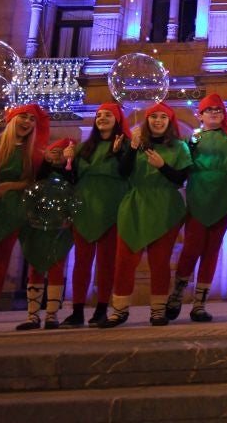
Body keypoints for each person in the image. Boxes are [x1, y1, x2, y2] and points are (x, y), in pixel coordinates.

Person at [166, 80, 227, 323]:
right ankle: (177, 293)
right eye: (209, 110)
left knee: (212, 250)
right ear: (200, 115)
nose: (214, 113)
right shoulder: (192, 141)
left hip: (224, 194)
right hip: (199, 194)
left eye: (218, 110)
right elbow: (180, 167)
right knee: (191, 248)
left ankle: (199, 303)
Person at [100, 102, 193, 328]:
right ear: (147, 121)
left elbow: (181, 178)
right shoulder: (135, 145)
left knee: (160, 262)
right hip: (134, 206)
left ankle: (158, 311)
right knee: (124, 260)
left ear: (169, 122)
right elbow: (123, 173)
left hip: (165, 208)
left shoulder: (180, 147)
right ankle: (119, 310)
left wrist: (162, 166)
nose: (158, 121)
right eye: (153, 117)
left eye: (163, 117)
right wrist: (131, 148)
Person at [61, 103, 130, 328]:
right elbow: (71, 179)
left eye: (108, 115)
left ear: (117, 119)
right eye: (99, 115)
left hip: (112, 205)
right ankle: (77, 311)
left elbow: (128, 172)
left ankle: (101, 310)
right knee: (81, 261)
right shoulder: (83, 148)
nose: (102, 118)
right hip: (85, 206)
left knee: (106, 262)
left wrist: (121, 153)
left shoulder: (125, 145)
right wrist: (67, 162)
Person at [15, 136, 76, 331]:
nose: (57, 156)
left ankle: (51, 315)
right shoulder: (40, 173)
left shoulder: (70, 174)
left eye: (61, 152)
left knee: (57, 268)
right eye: (54, 152)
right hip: (37, 228)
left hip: (60, 229)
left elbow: (74, 194)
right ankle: (33, 315)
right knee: (36, 268)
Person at [0, 105, 50, 305]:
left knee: (0, 262)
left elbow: (32, 182)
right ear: (12, 119)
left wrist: (9, 186)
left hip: (11, 213)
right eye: (23, 117)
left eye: (32, 119)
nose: (27, 122)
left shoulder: (32, 152)